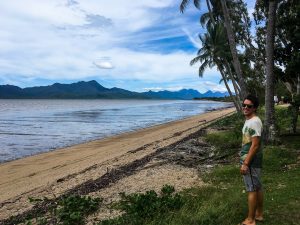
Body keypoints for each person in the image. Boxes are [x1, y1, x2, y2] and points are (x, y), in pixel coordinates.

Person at [240, 95, 264, 225]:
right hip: (252, 160)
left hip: (251, 162)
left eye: (249, 106)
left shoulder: (254, 121)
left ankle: (250, 220)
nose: (245, 107)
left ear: (254, 108)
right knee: (257, 187)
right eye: (244, 105)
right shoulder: (250, 120)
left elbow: (255, 145)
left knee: (251, 189)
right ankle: (259, 214)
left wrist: (245, 163)